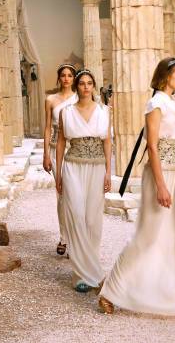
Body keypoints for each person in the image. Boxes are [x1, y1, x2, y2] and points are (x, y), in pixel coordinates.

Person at [99, 57, 175, 321]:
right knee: (147, 237)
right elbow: (152, 146)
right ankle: (110, 290)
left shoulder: (174, 102)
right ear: (165, 76)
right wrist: (161, 186)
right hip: (159, 176)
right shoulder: (156, 103)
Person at [55, 69, 111, 292]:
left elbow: (107, 142)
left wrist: (108, 171)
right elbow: (60, 142)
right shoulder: (66, 112)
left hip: (97, 167)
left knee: (92, 219)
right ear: (76, 87)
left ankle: (91, 266)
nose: (86, 87)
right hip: (73, 167)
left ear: (93, 86)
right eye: (82, 83)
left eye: (90, 83)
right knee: (76, 215)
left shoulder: (104, 111)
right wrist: (58, 173)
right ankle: (82, 273)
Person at [43, 64, 78, 256]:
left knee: (74, 193)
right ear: (59, 78)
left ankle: (75, 239)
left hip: (75, 149)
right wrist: (45, 154)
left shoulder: (78, 98)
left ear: (74, 78)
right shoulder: (50, 100)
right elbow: (48, 127)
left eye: (69, 75)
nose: (66, 78)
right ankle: (64, 237)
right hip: (56, 149)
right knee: (61, 193)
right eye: (63, 75)